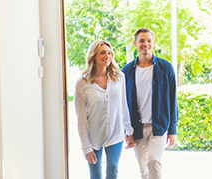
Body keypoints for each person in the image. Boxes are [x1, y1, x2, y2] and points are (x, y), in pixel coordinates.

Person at [122, 27, 178, 179]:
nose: (145, 44)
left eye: (148, 41)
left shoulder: (166, 68)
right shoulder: (126, 71)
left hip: (158, 126)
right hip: (137, 128)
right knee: (144, 170)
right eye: (142, 41)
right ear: (135, 43)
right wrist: (127, 131)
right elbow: (123, 104)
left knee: (153, 160)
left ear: (153, 43)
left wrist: (173, 129)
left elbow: (173, 98)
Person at [74, 40, 134, 179]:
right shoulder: (82, 83)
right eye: (102, 53)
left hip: (115, 134)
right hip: (93, 136)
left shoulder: (119, 77)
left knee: (112, 170)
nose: (107, 56)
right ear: (93, 55)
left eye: (109, 53)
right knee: (95, 175)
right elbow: (81, 118)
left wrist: (129, 131)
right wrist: (86, 148)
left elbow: (124, 106)